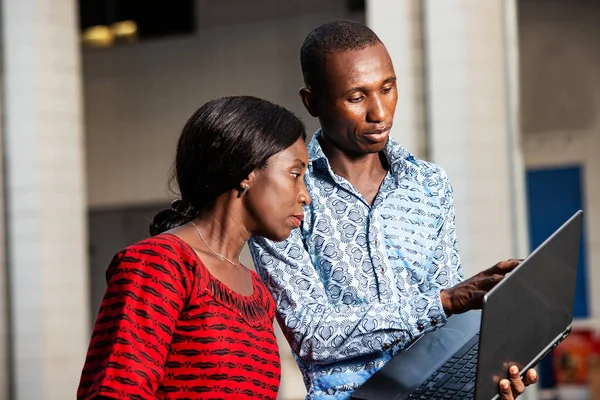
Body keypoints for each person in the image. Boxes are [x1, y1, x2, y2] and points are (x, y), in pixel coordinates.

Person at [249, 20, 538, 400]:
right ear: (312, 101)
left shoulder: (429, 184)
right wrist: (442, 302)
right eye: (356, 97)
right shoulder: (286, 196)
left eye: (388, 88)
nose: (380, 112)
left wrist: (484, 378)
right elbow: (312, 334)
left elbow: (450, 326)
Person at [77, 96, 311, 399]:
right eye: (295, 175)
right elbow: (114, 392)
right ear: (247, 173)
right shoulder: (159, 264)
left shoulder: (258, 294)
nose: (305, 195)